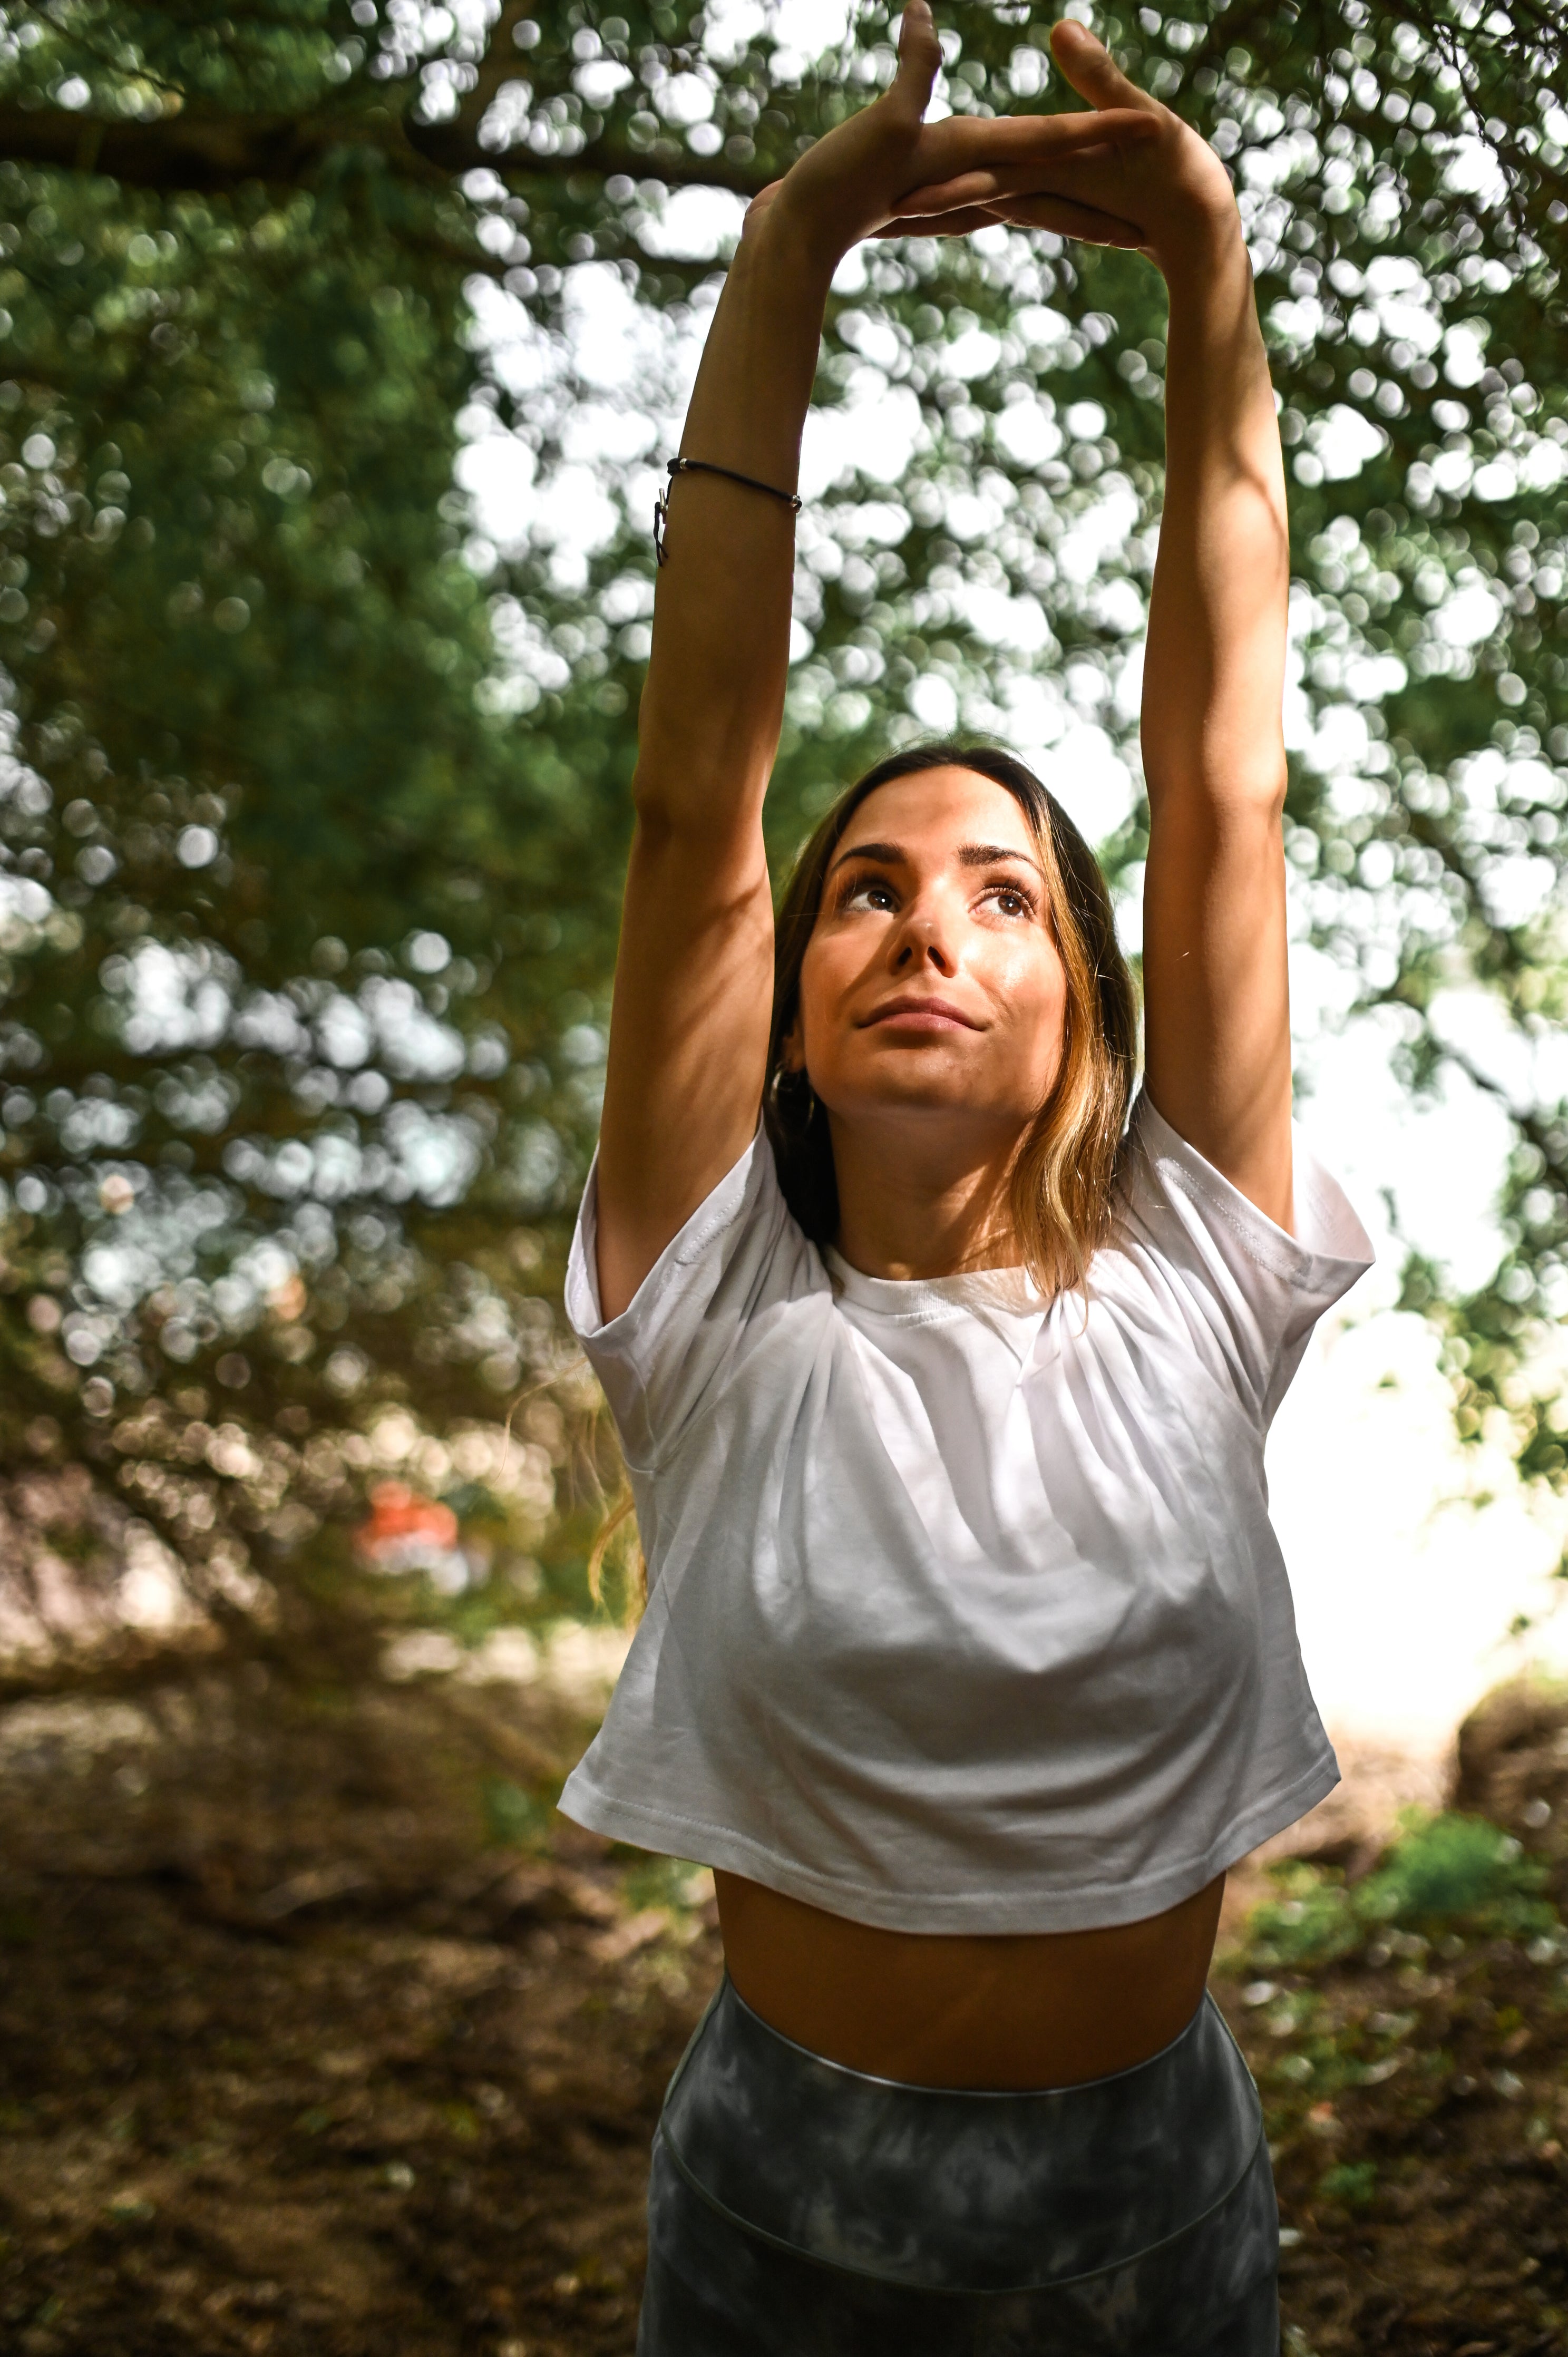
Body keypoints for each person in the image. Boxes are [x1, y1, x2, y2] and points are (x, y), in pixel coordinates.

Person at [559, 9, 1373, 2350]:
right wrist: (788, 251)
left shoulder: (1197, 1278)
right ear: (794, 991)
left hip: (1161, 2213)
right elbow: (696, 799)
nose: (930, 919)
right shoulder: (717, 1309)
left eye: (1010, 892)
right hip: (784, 2227)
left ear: (1090, 1005)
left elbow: (1224, 784)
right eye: (870, 888)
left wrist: (1208, 265)